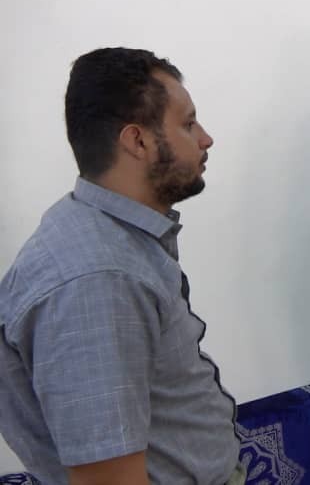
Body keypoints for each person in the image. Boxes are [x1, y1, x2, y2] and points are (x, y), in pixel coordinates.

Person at [0, 48, 242, 484]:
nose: (206, 139)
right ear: (138, 141)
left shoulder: (104, 239)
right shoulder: (96, 281)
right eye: (188, 124)